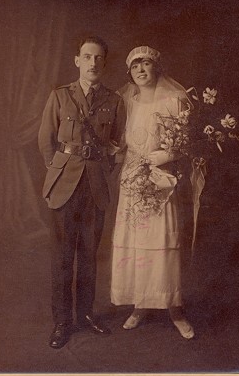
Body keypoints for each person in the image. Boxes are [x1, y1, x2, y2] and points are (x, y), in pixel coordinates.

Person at [38, 36, 126, 349]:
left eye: (99, 58)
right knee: (62, 258)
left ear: (104, 63)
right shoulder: (60, 96)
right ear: (77, 60)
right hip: (64, 186)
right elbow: (46, 140)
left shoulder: (114, 101)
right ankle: (62, 322)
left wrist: (102, 173)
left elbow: (116, 146)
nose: (93, 63)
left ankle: (85, 315)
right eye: (87, 57)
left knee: (89, 257)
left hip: (96, 187)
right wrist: (59, 169)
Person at [110, 45, 195, 339]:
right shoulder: (124, 102)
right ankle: (140, 304)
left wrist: (166, 156)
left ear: (156, 68)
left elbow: (187, 142)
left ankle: (174, 308)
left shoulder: (174, 100)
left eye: (146, 65)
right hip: (132, 180)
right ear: (130, 73)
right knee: (135, 240)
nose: (141, 71)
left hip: (160, 180)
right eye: (135, 67)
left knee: (161, 240)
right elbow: (118, 141)